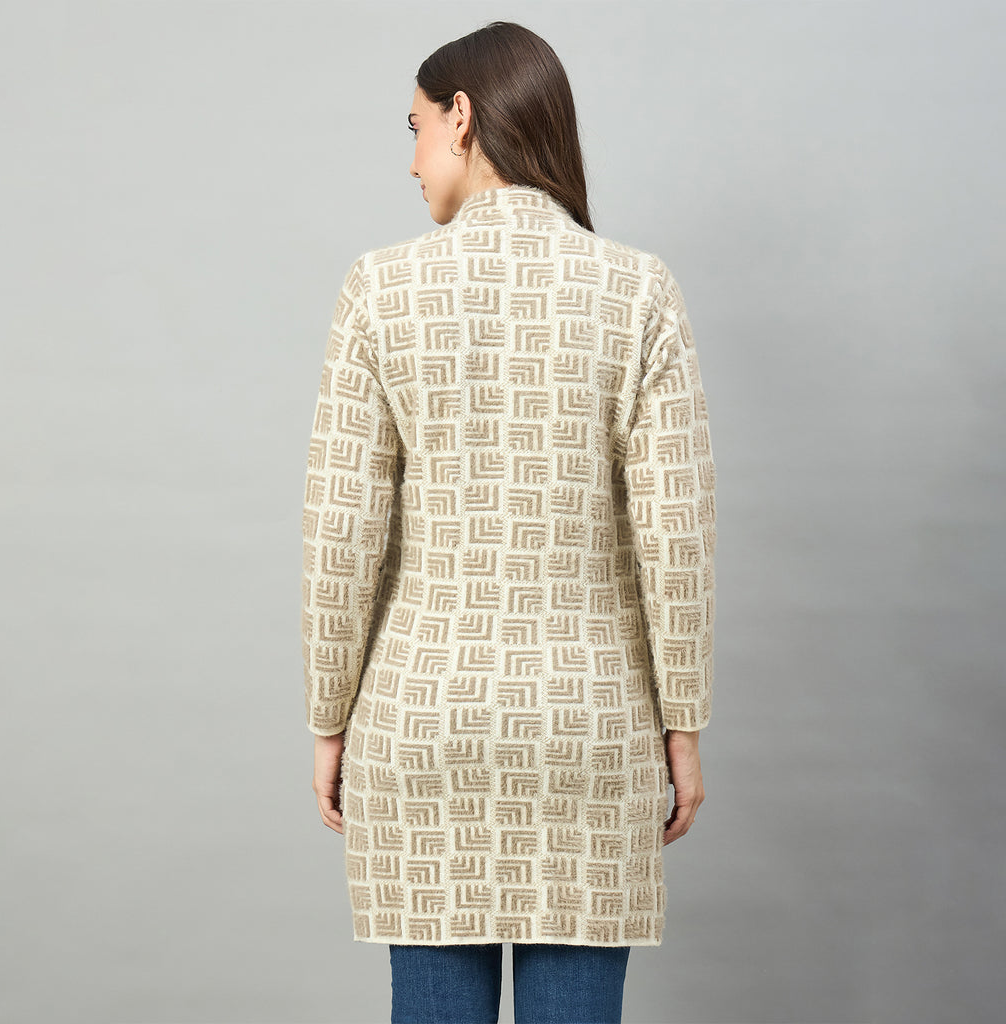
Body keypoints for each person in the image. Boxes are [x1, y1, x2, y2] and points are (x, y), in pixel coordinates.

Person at [302, 20, 716, 1024]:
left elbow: (340, 533)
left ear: (461, 116)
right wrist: (683, 725)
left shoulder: (379, 289)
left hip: (422, 724)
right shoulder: (639, 291)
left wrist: (328, 718)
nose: (410, 161)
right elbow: (677, 537)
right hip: (590, 729)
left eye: (413, 129)